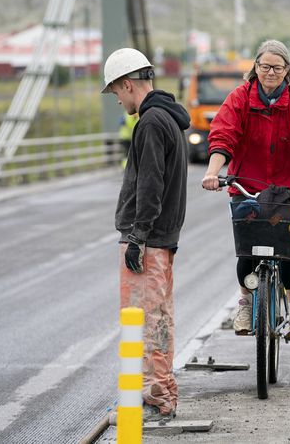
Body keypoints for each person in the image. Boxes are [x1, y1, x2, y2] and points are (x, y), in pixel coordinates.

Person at [201, 39, 290, 339]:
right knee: (247, 245)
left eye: (277, 67)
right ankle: (245, 304)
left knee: (289, 245)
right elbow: (224, 135)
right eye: (265, 66)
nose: (270, 72)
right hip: (247, 184)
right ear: (255, 68)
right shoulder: (239, 98)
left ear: (287, 70)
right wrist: (212, 173)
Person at [102, 47, 190, 422]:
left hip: (148, 240)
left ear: (127, 83)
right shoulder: (168, 118)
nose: (118, 99)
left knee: (145, 321)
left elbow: (150, 185)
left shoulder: (151, 123)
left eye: (116, 92)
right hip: (162, 240)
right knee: (159, 318)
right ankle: (162, 392)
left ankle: (155, 397)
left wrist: (137, 236)